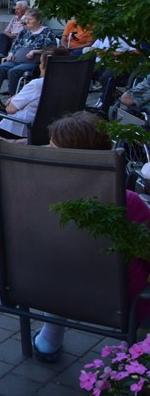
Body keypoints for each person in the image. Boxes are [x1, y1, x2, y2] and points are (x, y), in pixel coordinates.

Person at [31, 111, 150, 363]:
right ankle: (135, 346)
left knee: (60, 265)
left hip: (44, 287)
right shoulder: (126, 200)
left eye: (52, 147)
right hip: (117, 298)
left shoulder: (33, 192)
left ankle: (49, 339)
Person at [0, 47, 70, 177]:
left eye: (40, 63)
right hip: (54, 127)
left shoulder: (38, 84)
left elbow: (10, 109)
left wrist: (12, 99)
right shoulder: (69, 83)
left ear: (46, 66)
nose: (39, 66)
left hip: (26, 128)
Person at [0, 9, 57, 109]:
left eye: (30, 19)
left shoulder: (46, 32)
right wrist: (11, 53)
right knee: (1, 68)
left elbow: (51, 49)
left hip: (32, 63)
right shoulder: (24, 32)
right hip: (16, 60)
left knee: (13, 71)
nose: (27, 21)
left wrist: (35, 51)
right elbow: (15, 45)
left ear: (38, 20)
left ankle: (13, 99)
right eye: (26, 19)